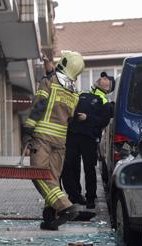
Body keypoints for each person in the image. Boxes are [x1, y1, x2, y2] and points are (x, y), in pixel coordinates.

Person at [23, 50, 85, 230]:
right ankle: (50, 217)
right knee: (52, 178)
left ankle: (65, 207)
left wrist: (28, 129)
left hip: (42, 137)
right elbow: (71, 117)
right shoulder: (74, 92)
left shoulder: (49, 82)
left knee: (38, 174)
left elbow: (39, 105)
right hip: (60, 141)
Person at [61, 72, 115, 209]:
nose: (103, 78)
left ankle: (90, 197)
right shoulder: (83, 93)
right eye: (102, 77)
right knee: (70, 165)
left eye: (106, 78)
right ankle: (75, 195)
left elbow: (103, 121)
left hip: (89, 138)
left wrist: (87, 118)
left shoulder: (104, 101)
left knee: (89, 168)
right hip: (73, 135)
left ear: (108, 88)